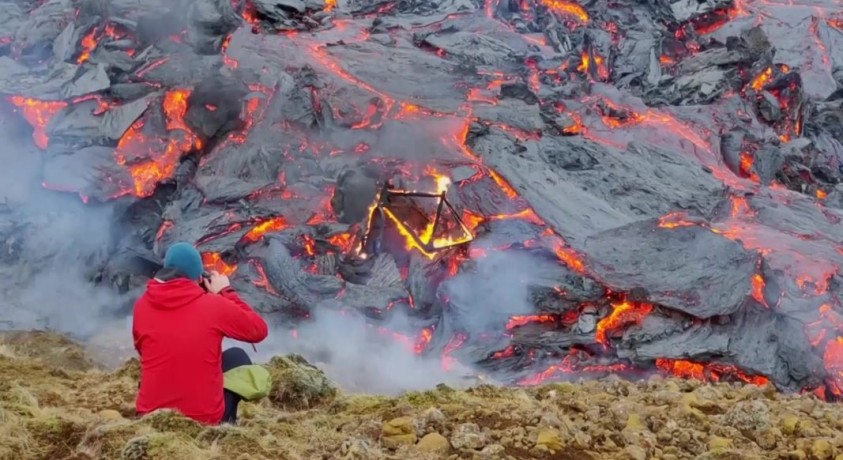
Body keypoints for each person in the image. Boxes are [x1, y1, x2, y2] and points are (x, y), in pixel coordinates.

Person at [132, 242, 268, 425]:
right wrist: (224, 291)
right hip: (202, 421)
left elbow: (144, 351)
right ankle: (225, 428)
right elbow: (258, 330)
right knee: (237, 357)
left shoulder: (142, 306)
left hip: (150, 419)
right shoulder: (213, 306)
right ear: (198, 277)